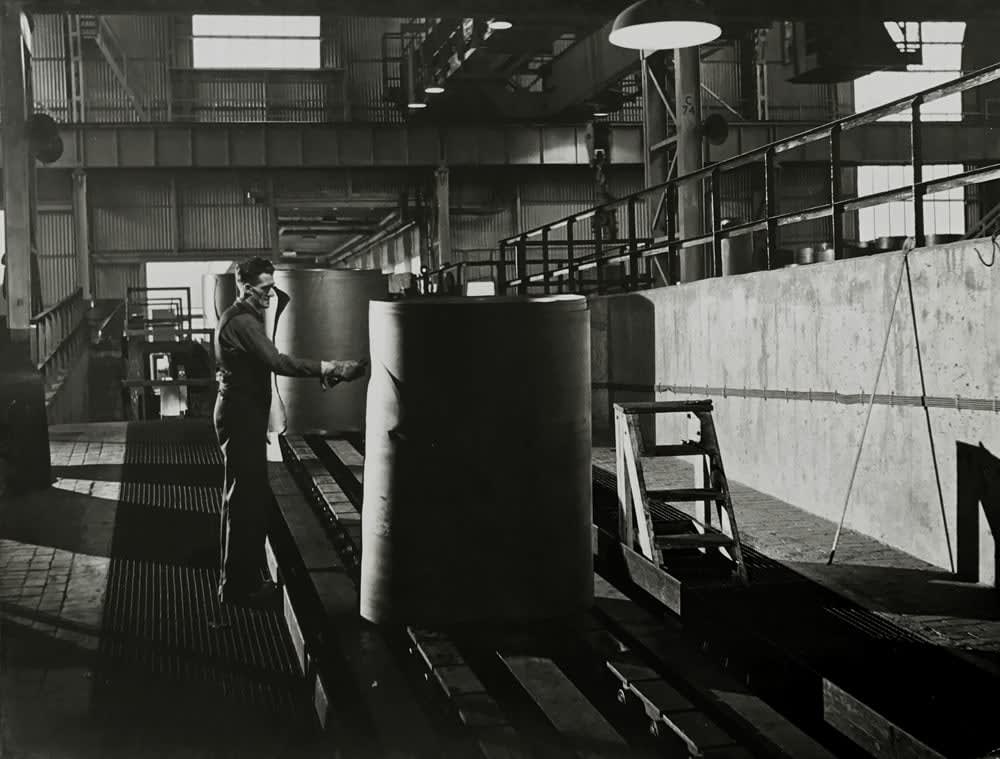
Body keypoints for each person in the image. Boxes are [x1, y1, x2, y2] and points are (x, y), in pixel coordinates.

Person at [214, 257, 366, 607]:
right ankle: (239, 589)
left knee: (242, 497)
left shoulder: (245, 316)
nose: (270, 295)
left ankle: (236, 582)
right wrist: (331, 367)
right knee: (244, 501)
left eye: (272, 286)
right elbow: (278, 362)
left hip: (243, 412)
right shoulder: (245, 324)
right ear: (245, 286)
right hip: (239, 414)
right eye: (264, 289)